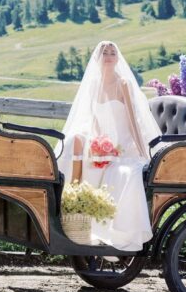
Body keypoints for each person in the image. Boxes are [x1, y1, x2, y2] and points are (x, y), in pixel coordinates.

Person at [55, 41, 161, 251]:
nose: (110, 55)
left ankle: (115, 231)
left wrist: (143, 152)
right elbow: (94, 119)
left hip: (123, 143)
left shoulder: (123, 84)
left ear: (118, 58)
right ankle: (70, 210)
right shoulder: (94, 85)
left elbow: (132, 121)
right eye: (105, 52)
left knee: (123, 172)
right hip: (103, 141)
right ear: (98, 58)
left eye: (113, 52)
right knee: (72, 142)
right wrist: (96, 143)